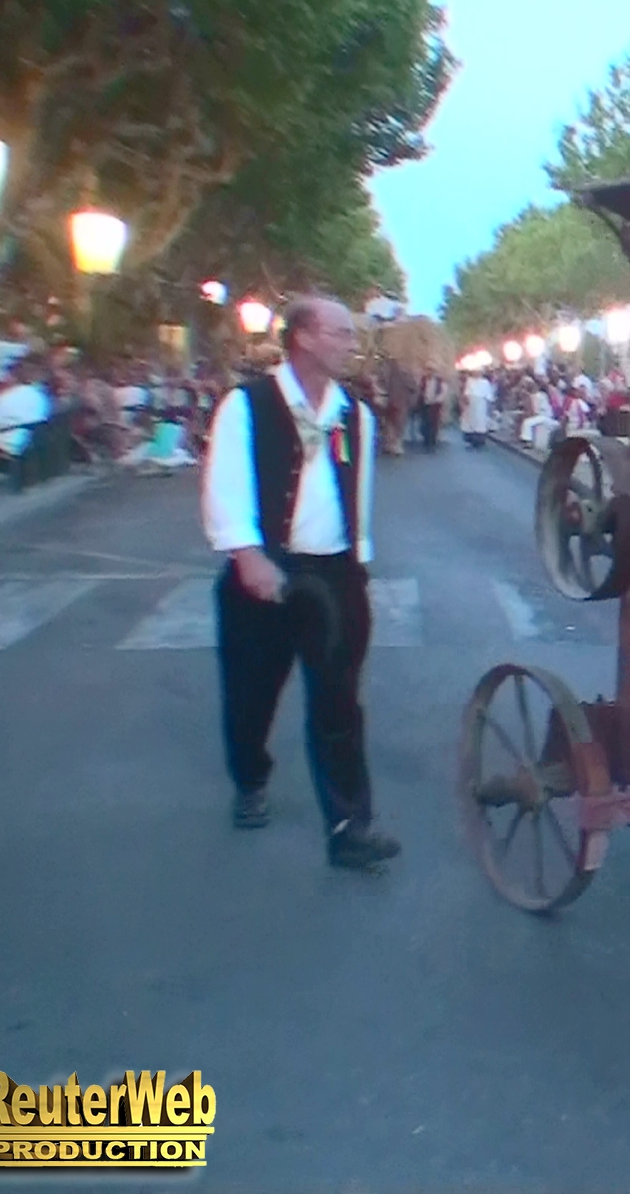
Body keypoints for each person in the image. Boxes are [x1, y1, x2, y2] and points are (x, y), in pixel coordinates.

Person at [201, 296, 400, 871]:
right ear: (305, 337)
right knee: (251, 694)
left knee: (339, 702)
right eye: (341, 333)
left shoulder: (353, 413)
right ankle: (250, 777)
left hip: (333, 573)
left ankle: (350, 826)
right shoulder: (247, 405)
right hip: (266, 567)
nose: (351, 344)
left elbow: (358, 493)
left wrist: (357, 565)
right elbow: (224, 485)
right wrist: (248, 556)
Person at [460, 369, 494, 448]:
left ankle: (479, 440)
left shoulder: (485, 382)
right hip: (471, 403)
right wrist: (465, 401)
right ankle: (470, 439)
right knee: (470, 421)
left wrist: (490, 404)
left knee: (480, 422)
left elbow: (488, 395)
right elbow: (467, 392)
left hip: (481, 404)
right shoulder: (469, 381)